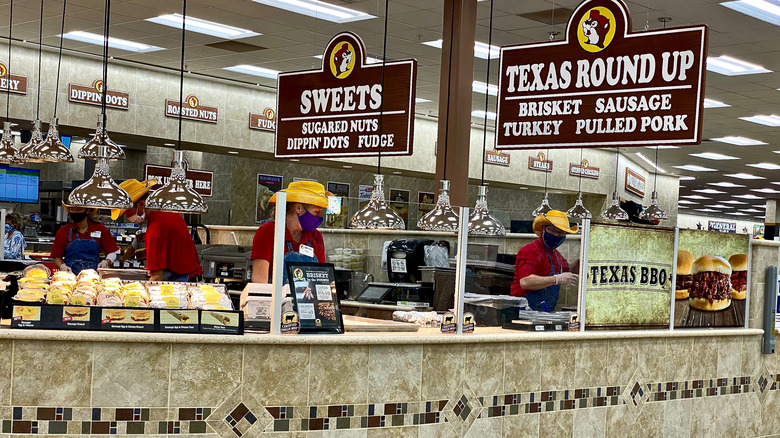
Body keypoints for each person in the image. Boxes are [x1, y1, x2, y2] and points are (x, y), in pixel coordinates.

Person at [112, 179, 203, 282]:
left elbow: (156, 277)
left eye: (128, 211)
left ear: (142, 204)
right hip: (189, 276)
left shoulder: (155, 230)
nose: (128, 216)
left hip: (183, 281)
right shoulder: (166, 213)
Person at [250, 181, 330, 283]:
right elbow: (259, 279)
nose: (320, 217)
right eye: (316, 211)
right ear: (299, 208)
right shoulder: (267, 232)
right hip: (275, 298)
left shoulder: (316, 236)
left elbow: (321, 279)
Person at [510, 210, 579, 312]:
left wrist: (582, 262)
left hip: (542, 312)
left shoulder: (555, 254)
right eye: (552, 230)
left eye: (560, 232)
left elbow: (568, 268)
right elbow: (525, 282)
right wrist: (556, 279)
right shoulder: (530, 251)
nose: (556, 235)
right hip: (521, 311)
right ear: (543, 229)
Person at [51, 205, 119, 274]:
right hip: (70, 277)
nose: (75, 212)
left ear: (88, 211)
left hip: (93, 277)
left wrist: (106, 262)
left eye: (78, 209)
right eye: (72, 209)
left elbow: (112, 253)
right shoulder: (63, 231)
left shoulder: (100, 229)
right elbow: (56, 257)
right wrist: (62, 266)